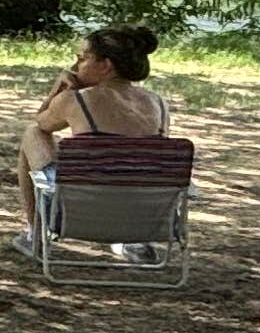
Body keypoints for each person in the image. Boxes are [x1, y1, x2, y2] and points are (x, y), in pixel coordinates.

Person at [15, 25, 172, 257]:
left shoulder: (75, 100)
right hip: (146, 218)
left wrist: (58, 89)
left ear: (106, 65)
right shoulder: (158, 104)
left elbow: (41, 122)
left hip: (75, 216)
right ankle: (135, 243)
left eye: (83, 57)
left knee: (33, 133)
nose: (75, 64)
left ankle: (35, 234)